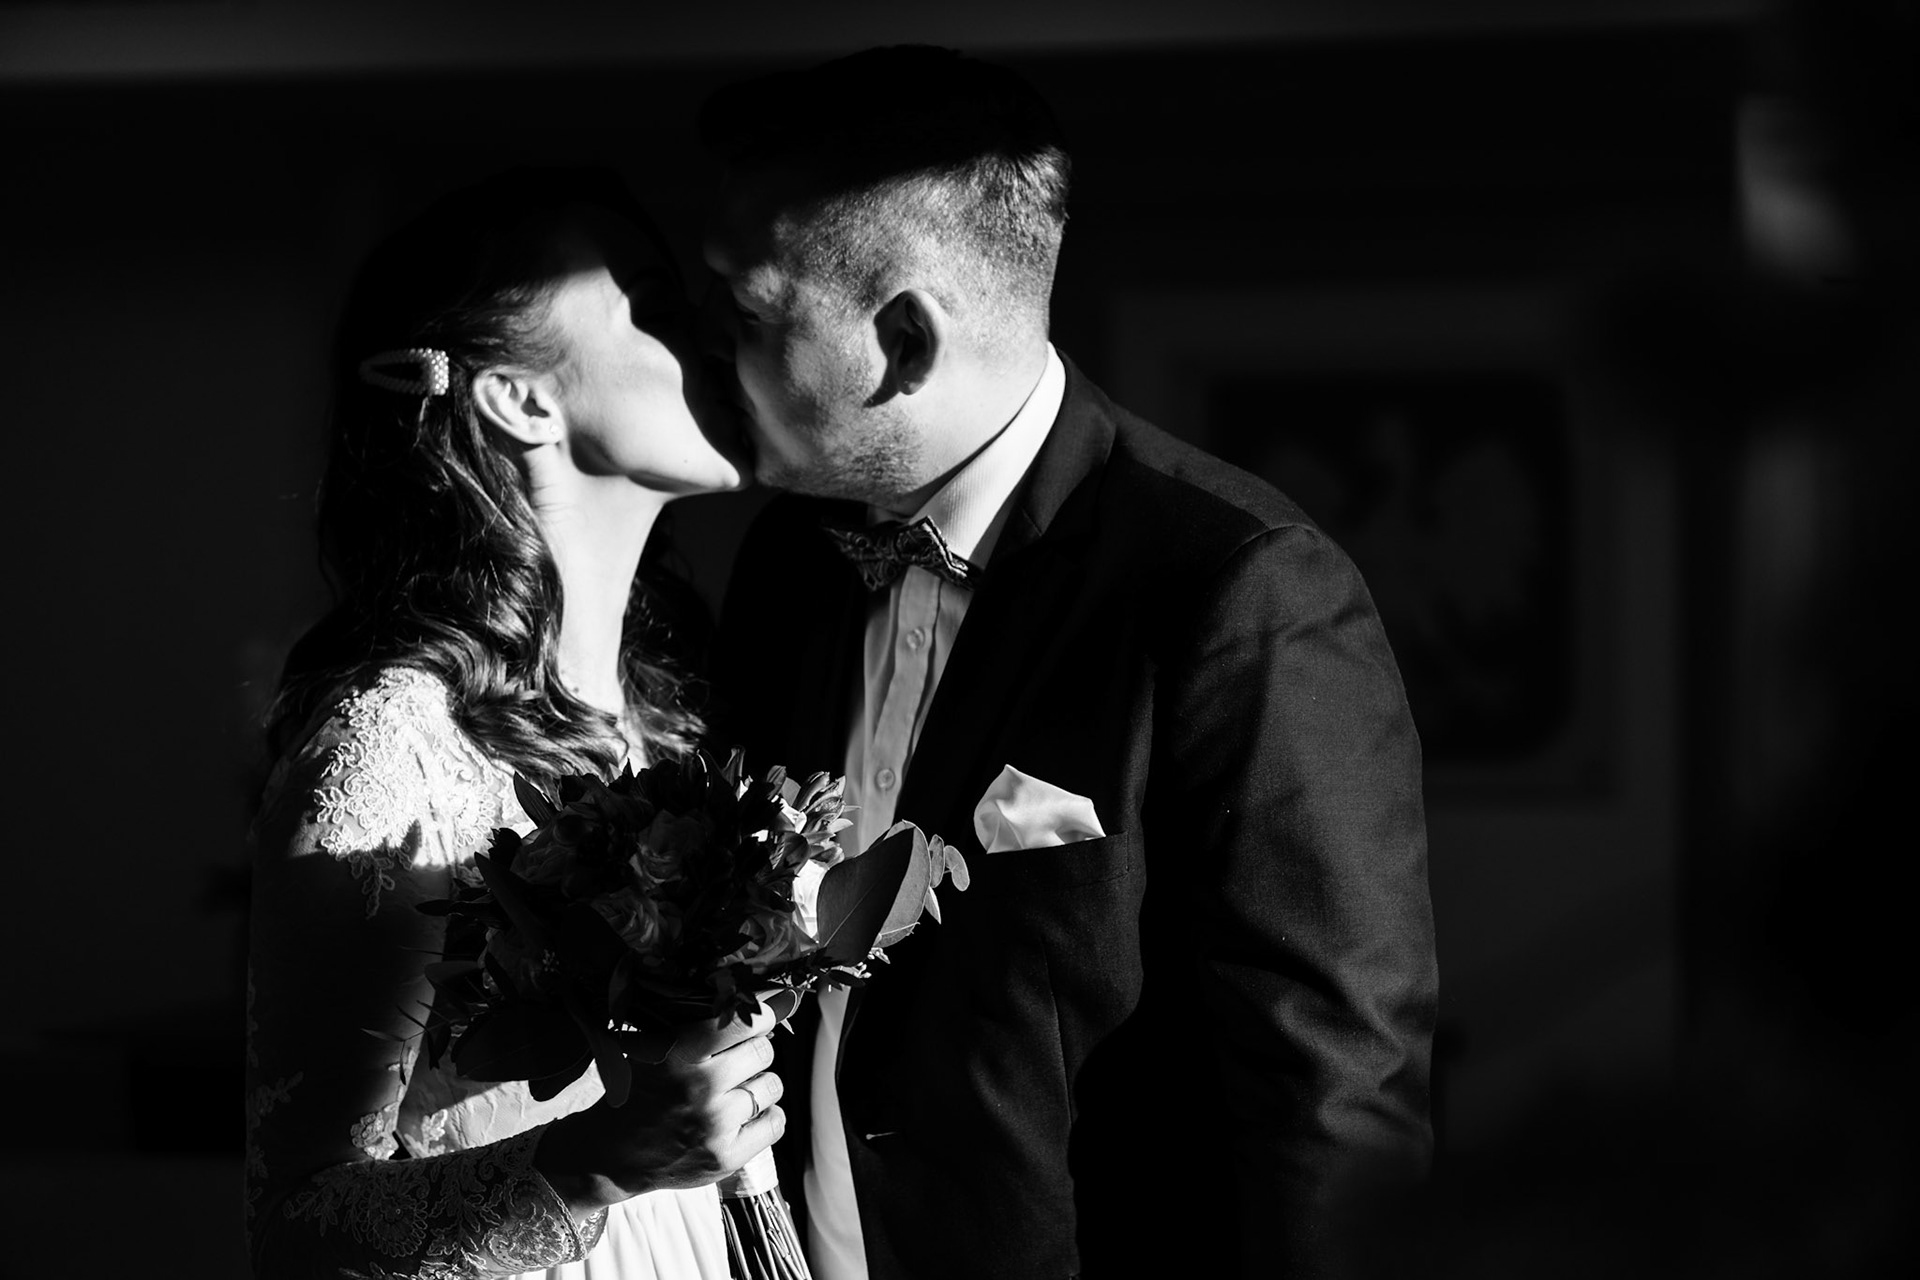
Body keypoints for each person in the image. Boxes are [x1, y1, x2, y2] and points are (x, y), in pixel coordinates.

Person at [702, 47, 1438, 1279]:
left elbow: (1332, 1100)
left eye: (751, 312)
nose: (707, 351)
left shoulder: (1239, 589)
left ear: (903, 340)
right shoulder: (786, 563)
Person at [245, 168, 790, 1279]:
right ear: (521, 400)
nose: (711, 333)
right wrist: (597, 1165)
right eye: (653, 304)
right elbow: (297, 1231)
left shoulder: (667, 713)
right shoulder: (391, 749)